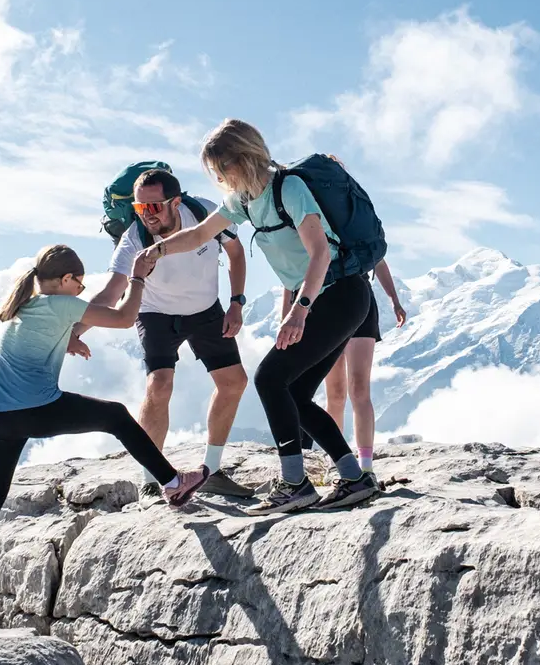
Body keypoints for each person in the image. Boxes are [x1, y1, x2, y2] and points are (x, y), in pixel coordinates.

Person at [0, 244, 208, 624]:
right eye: (79, 284)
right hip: (35, 410)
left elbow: (40, 337)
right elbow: (126, 317)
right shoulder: (61, 305)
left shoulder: (22, 308)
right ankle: (173, 482)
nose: (80, 290)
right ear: (65, 280)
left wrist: (68, 339)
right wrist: (138, 278)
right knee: (116, 416)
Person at [136, 119, 380, 514]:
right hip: (324, 298)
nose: (218, 177)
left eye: (221, 168)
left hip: (340, 295)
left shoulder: (290, 188)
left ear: (243, 159)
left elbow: (319, 252)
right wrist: (158, 250)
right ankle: (355, 477)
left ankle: (294, 483)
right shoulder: (244, 199)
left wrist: (299, 311)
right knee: (296, 392)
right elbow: (200, 234)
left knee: (270, 378)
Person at [80, 168, 254, 499]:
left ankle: (212, 470)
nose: (146, 215)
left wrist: (236, 303)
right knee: (159, 385)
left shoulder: (203, 212)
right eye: (139, 208)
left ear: (175, 203)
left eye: (154, 207)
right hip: (155, 312)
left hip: (205, 310)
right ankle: (151, 479)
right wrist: (74, 331)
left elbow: (235, 252)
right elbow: (110, 293)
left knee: (234, 383)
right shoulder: (134, 239)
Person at [322, 260, 406, 483]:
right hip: (326, 301)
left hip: (361, 302)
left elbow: (378, 261)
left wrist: (394, 301)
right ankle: (335, 462)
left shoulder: (360, 226)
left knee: (359, 388)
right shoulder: (316, 224)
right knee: (335, 392)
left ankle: (366, 467)